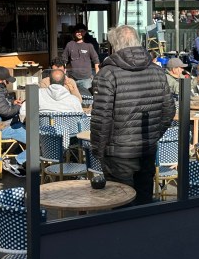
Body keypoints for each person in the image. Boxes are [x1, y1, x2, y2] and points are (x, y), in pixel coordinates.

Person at [90, 25, 174, 204]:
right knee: (143, 202)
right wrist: (152, 135)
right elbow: (168, 111)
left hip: (119, 152)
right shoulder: (157, 71)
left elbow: (101, 118)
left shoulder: (108, 73)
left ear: (114, 45)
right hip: (145, 148)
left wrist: (98, 151)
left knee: (120, 204)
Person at [62, 26, 100, 91]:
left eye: (82, 31)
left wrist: (97, 77)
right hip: (72, 79)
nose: (79, 33)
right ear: (74, 33)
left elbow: (96, 61)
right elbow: (63, 61)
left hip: (87, 80)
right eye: (77, 31)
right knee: (73, 96)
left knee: (87, 96)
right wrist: (64, 75)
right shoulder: (70, 45)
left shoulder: (89, 45)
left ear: (85, 32)